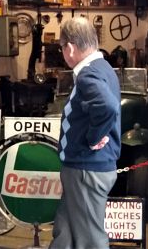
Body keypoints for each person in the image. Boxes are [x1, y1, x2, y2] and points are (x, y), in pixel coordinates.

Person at [49, 17, 121, 249]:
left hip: (86, 169)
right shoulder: (103, 67)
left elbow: (107, 107)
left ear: (69, 47)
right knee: (65, 230)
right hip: (83, 169)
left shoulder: (88, 74)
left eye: (62, 48)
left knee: (91, 240)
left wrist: (92, 138)